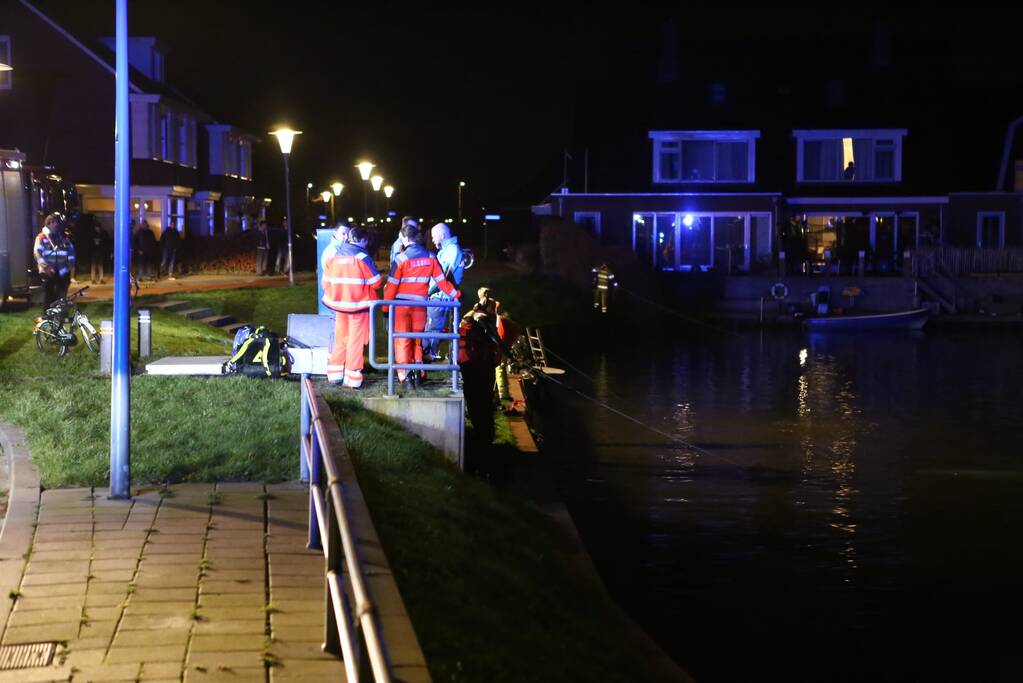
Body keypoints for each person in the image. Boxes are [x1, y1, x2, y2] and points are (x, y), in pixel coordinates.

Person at [384, 222, 460, 385]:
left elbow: (391, 287)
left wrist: (385, 309)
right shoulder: (431, 257)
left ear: (406, 239)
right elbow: (442, 282)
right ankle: (419, 371)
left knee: (402, 340)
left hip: (401, 307)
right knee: (417, 339)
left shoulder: (401, 259)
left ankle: (405, 375)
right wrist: (457, 294)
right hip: (420, 307)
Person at [321, 225, 381, 388]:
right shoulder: (363, 257)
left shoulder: (334, 256)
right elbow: (376, 282)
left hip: (339, 307)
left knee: (340, 338)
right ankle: (352, 377)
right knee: (356, 340)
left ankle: (334, 374)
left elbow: (325, 283)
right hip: (358, 307)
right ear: (363, 240)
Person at [458, 293, 502, 447]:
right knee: (483, 401)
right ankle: (486, 437)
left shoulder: (468, 319)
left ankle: (479, 433)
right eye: (493, 309)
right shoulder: (483, 321)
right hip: (481, 366)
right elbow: (494, 340)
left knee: (473, 399)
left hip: (467, 364)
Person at [422, 222, 465, 362]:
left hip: (440, 297)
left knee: (431, 330)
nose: (433, 240)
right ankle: (428, 357)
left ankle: (427, 358)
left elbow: (442, 277)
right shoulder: (446, 250)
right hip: (439, 297)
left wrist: (427, 291)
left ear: (442, 235)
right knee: (431, 329)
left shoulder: (452, 250)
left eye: (434, 236)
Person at [33, 214, 76, 306]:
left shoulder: (63, 236)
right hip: (48, 272)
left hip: (63, 272)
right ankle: (48, 313)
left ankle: (61, 312)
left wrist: (70, 264)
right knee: (49, 296)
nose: (56, 224)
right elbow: (37, 253)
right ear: (48, 224)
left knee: (62, 296)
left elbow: (71, 251)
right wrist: (46, 267)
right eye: (53, 222)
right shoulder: (41, 237)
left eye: (56, 222)